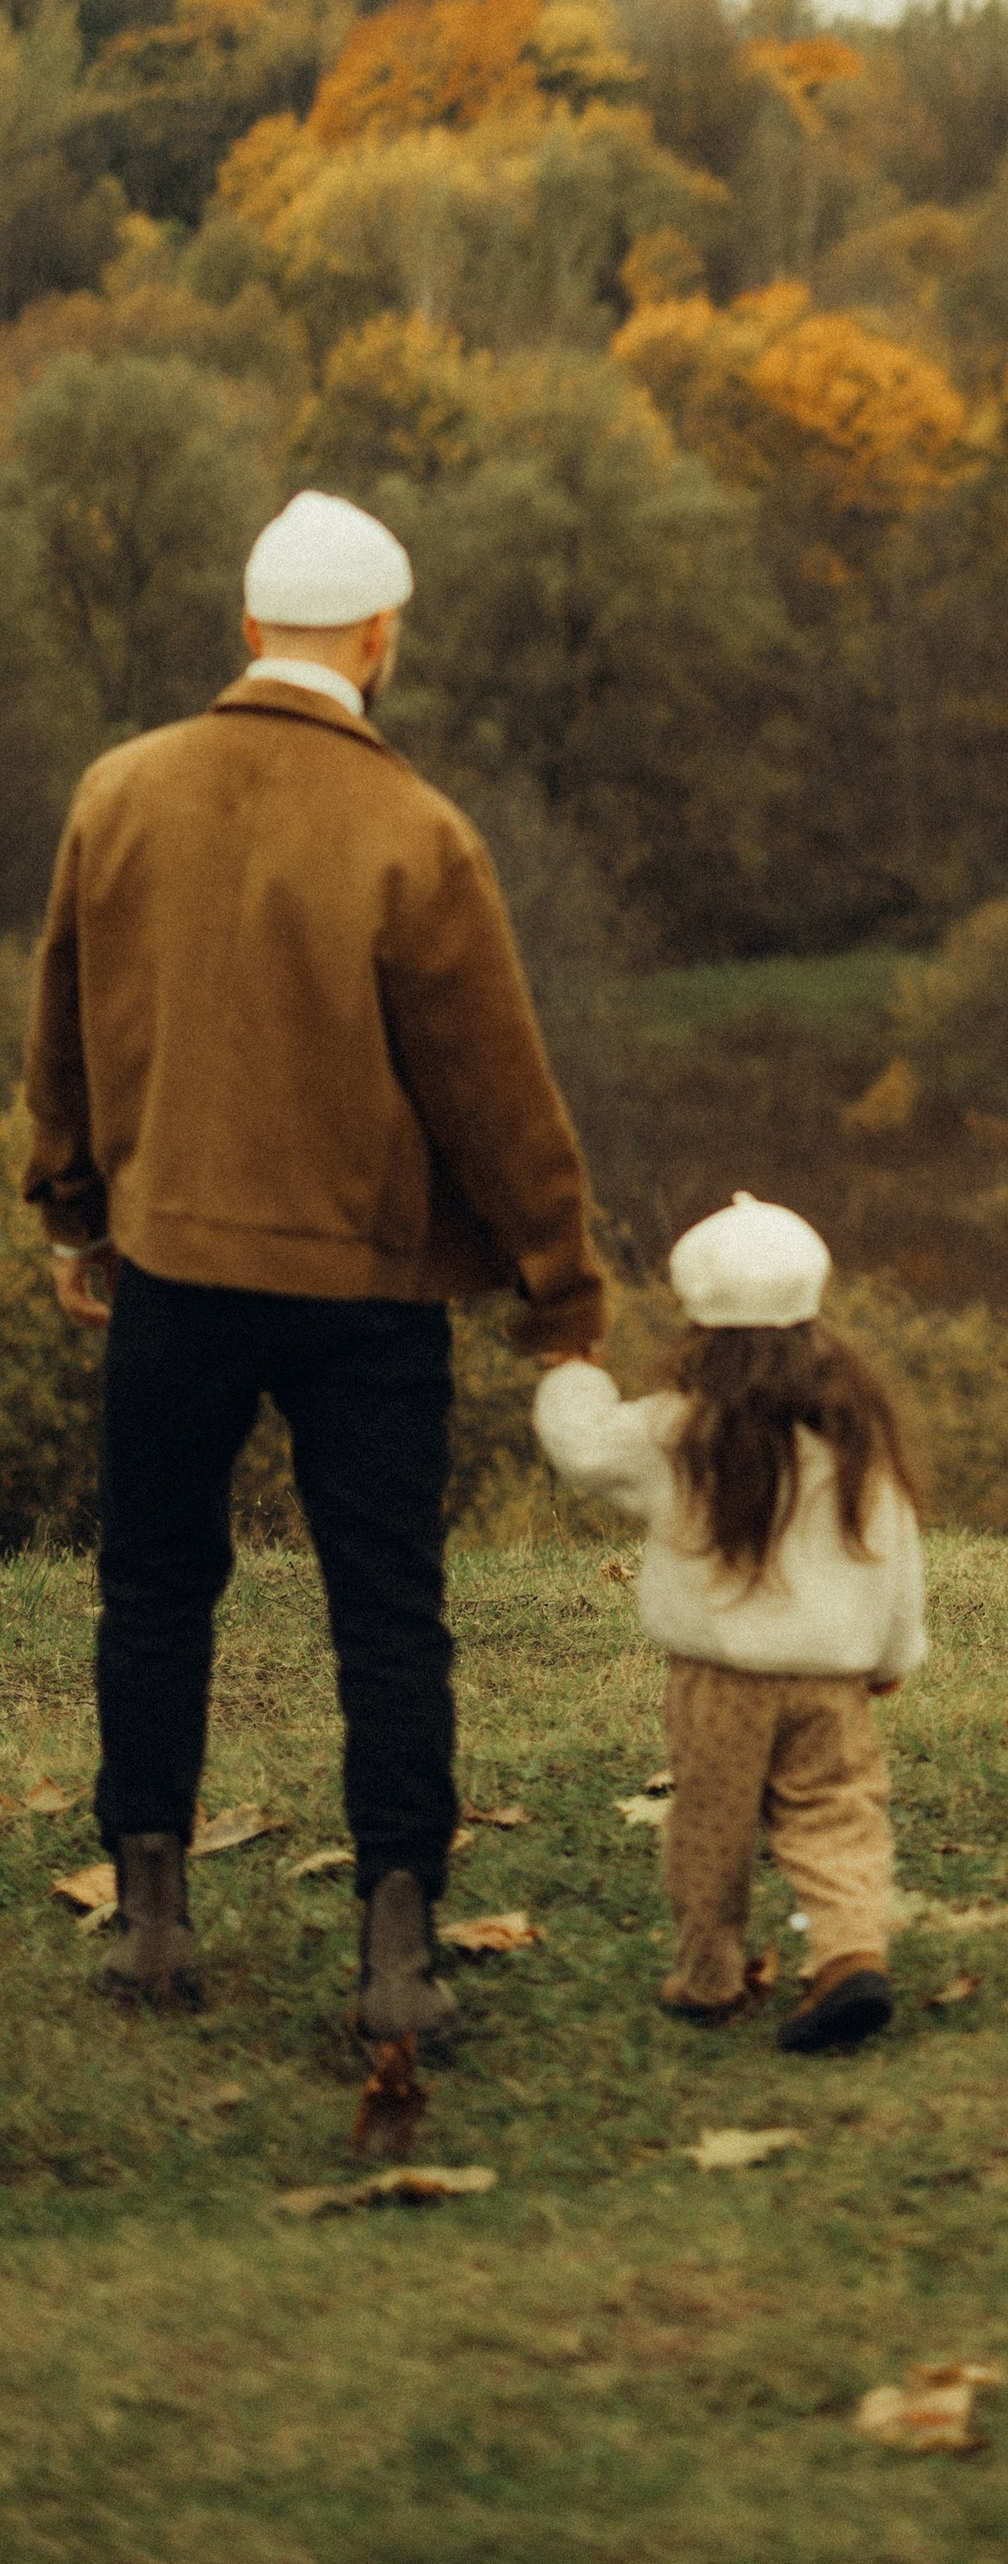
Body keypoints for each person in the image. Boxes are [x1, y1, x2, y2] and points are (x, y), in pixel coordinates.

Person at [23, 490, 608, 2042]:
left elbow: (62, 1030)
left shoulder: (120, 793)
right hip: (366, 1296)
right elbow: (497, 1090)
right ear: (376, 637)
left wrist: (77, 1215)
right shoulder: (413, 832)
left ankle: (148, 1923)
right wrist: (564, 1293)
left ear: (245, 632)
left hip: (172, 1271)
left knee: (154, 1586)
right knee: (388, 1610)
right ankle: (399, 1958)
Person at [532, 1191, 926, 2054]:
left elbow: (585, 1447)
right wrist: (894, 1654)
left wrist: (571, 1368)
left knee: (711, 1827)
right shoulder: (854, 1432)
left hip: (716, 1680)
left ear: (697, 1325)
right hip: (831, 1679)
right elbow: (897, 1558)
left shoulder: (679, 1433)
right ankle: (850, 1954)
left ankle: (707, 1977)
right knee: (835, 1814)